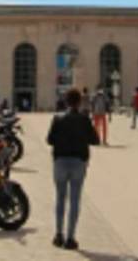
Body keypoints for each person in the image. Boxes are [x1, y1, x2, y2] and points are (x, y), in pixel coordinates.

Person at [46, 88, 99, 250]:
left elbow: (49, 140)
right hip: (78, 162)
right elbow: (95, 140)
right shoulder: (84, 119)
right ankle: (70, 238)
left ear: (66, 101)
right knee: (75, 200)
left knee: (60, 198)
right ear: (79, 102)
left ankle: (58, 234)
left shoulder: (57, 118)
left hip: (60, 161)